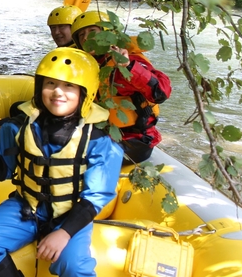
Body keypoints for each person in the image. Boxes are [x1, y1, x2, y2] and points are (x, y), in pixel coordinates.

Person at [0, 48, 123, 277]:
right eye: (51, 83)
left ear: (85, 92)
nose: (58, 92)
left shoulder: (100, 141)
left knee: (73, 265)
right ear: (39, 87)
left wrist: (64, 233)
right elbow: (3, 171)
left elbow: (95, 198)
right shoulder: (18, 127)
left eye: (69, 85)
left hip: (71, 213)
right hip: (26, 206)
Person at [70, 10, 172, 163]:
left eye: (92, 31)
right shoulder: (90, 65)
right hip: (104, 134)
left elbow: (161, 92)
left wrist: (129, 66)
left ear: (107, 34)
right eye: (81, 35)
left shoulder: (127, 59)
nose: (86, 38)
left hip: (134, 142)